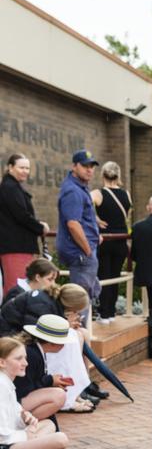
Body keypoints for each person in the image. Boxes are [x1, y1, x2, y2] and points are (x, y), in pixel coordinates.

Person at [0, 336, 68, 449]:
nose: (25, 363)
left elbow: (13, 421)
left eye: (25, 358)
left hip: (11, 442)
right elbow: (2, 436)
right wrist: (27, 435)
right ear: (2, 362)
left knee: (48, 424)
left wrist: (25, 419)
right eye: (18, 359)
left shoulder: (7, 383)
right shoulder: (1, 386)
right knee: (60, 439)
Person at [56, 150, 101, 307]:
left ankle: (83, 329)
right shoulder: (73, 190)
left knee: (90, 294)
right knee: (80, 302)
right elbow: (73, 224)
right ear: (74, 166)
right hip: (80, 253)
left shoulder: (79, 187)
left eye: (92, 166)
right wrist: (88, 250)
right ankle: (80, 331)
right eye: (85, 166)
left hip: (83, 252)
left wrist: (96, 231)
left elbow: (82, 217)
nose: (89, 169)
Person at [0, 154, 49, 298]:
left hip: (18, 246)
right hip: (15, 247)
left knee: (20, 287)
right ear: (10, 167)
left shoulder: (12, 187)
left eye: (27, 168)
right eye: (21, 167)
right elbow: (21, 215)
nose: (25, 171)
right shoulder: (10, 188)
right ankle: (11, 321)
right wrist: (41, 227)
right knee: (16, 288)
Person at [15, 314, 77, 422]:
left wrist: (51, 380)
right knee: (58, 396)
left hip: (18, 398)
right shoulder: (31, 354)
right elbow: (24, 388)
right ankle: (18, 424)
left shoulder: (35, 350)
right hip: (13, 401)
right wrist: (50, 381)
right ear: (53, 342)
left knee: (50, 425)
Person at [92, 162, 132, 322]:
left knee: (104, 276)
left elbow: (81, 204)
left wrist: (95, 220)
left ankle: (104, 313)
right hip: (121, 240)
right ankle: (112, 312)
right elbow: (126, 216)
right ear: (119, 175)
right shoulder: (126, 194)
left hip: (105, 240)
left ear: (102, 175)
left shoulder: (97, 193)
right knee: (114, 277)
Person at [46, 284, 95, 412]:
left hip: (50, 339)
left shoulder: (56, 306)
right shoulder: (49, 305)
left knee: (77, 334)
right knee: (72, 337)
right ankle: (69, 396)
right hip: (43, 341)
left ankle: (76, 392)